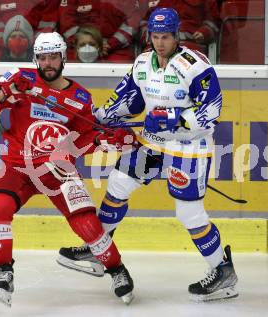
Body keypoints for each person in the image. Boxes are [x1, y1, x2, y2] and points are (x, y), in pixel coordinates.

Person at [57, 8, 238, 302]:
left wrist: (175, 118)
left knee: (189, 213)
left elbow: (212, 110)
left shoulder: (194, 65)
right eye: (155, 36)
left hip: (187, 149)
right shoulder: (142, 63)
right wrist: (103, 116)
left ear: (176, 35)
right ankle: (98, 248)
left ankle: (223, 270)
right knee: (117, 183)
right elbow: (128, 97)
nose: (160, 42)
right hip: (152, 145)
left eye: (166, 36)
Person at [0, 32, 136, 306]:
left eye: (53, 57)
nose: (47, 63)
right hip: (16, 165)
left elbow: (81, 142)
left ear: (63, 57)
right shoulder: (19, 77)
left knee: (87, 223)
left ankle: (117, 270)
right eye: (42, 57)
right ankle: (3, 271)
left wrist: (103, 139)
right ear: (35, 59)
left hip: (58, 168)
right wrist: (6, 92)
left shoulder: (81, 98)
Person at [59, 0, 142, 62]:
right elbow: (66, 23)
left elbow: (132, 23)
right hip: (79, 47)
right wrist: (81, 43)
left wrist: (110, 44)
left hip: (116, 49)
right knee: (66, 67)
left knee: (124, 70)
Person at [138, 0, 220, 55]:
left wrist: (204, 32)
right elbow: (144, 21)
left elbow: (213, 22)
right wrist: (149, 36)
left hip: (190, 44)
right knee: (148, 65)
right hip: (158, 43)